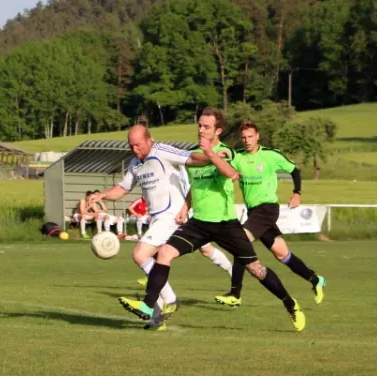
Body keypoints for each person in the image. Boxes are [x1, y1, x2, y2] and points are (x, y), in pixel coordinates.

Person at [118, 107, 306, 332]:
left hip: (225, 224)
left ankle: (290, 303)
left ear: (218, 131)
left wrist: (211, 153)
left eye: (206, 126)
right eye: (199, 125)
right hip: (199, 222)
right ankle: (149, 306)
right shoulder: (195, 154)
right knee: (165, 253)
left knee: (255, 269)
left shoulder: (228, 152)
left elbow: (231, 173)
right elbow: (194, 185)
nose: (200, 129)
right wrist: (185, 206)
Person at [89, 123, 231, 331]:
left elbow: (191, 158)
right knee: (156, 265)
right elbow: (122, 189)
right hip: (158, 218)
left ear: (149, 140)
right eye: (131, 146)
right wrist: (102, 195)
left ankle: (171, 300)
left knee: (140, 254)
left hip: (173, 215)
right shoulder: (135, 163)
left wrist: (213, 156)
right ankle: (157, 317)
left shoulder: (161, 151)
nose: (134, 149)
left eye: (138, 145)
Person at [214, 122, 325, 307]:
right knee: (282, 254)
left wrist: (297, 193)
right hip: (253, 212)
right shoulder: (238, 156)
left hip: (267, 209)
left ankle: (235, 294)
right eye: (244, 137)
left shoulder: (270, 155)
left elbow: (294, 170)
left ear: (258, 136)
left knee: (240, 241)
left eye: (250, 136)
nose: (247, 140)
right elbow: (224, 165)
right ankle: (315, 280)